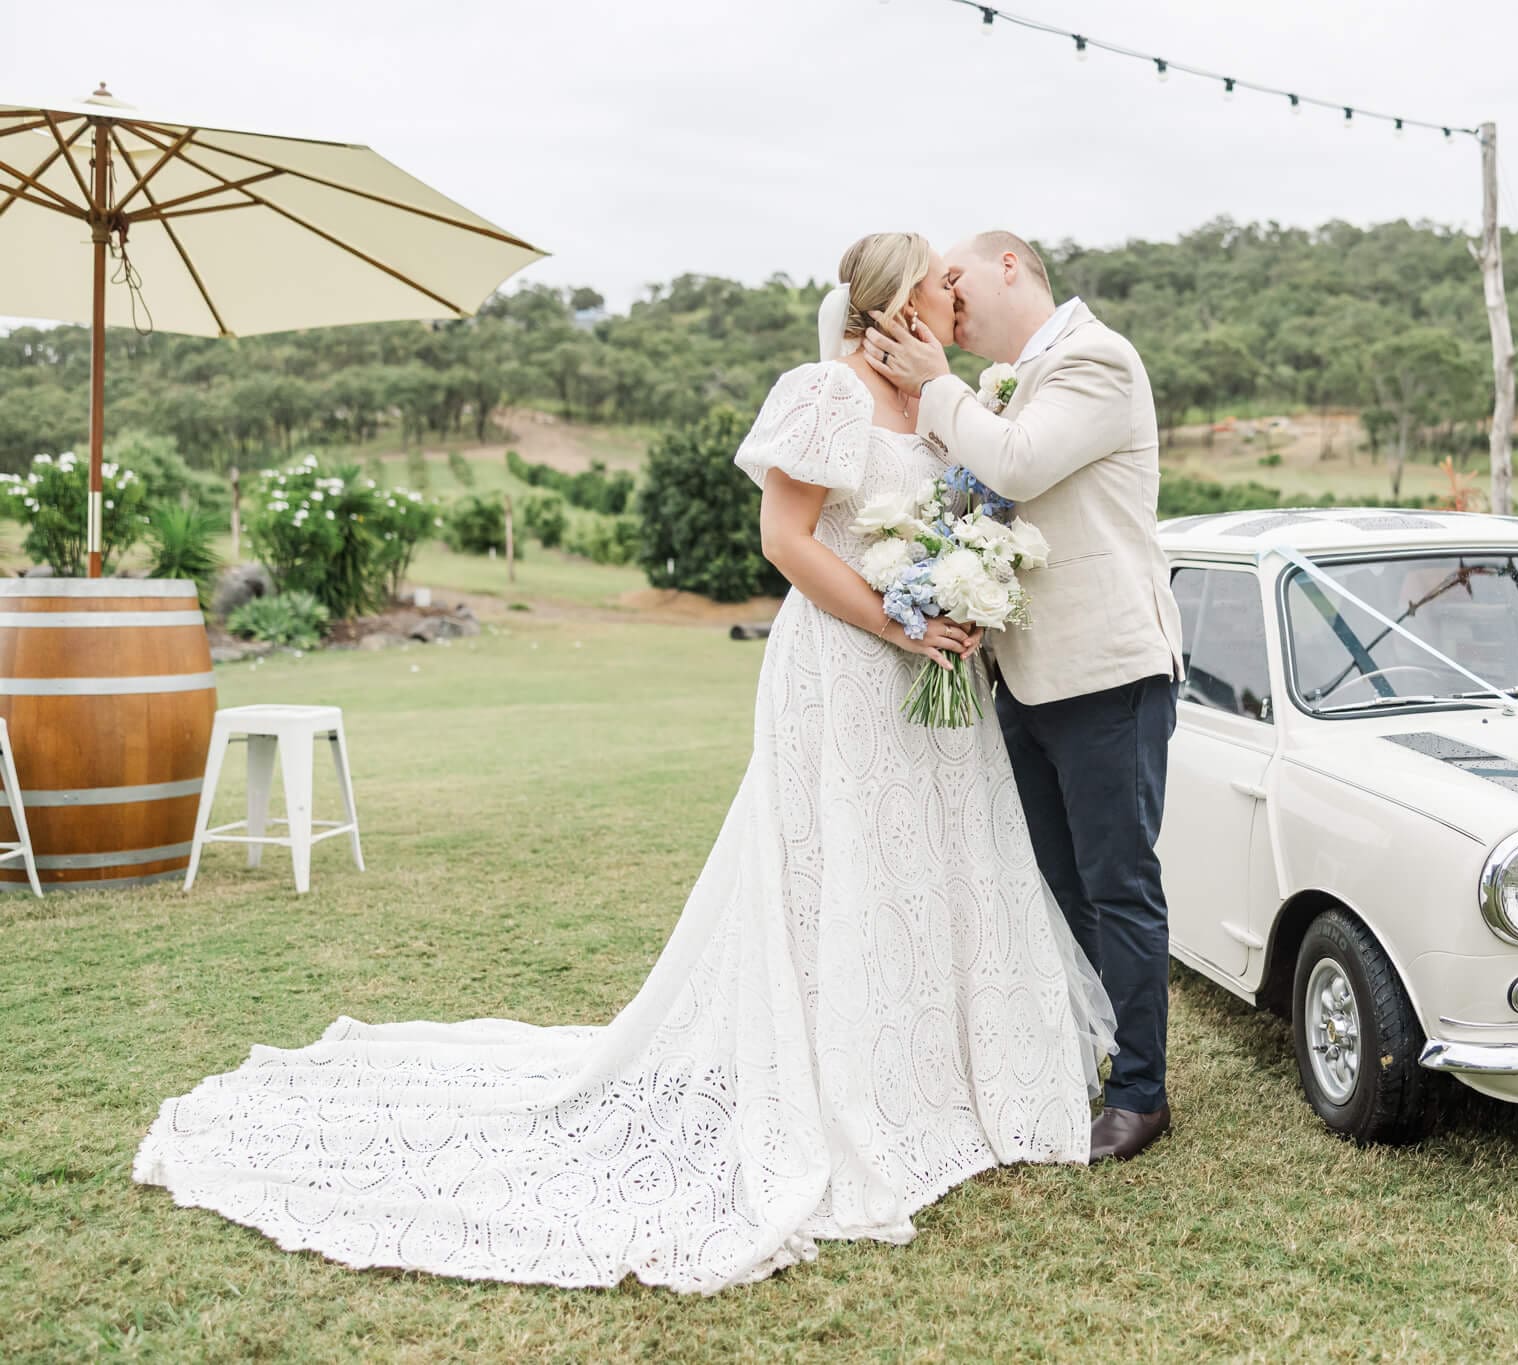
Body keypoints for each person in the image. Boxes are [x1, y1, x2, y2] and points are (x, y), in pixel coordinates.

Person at [133, 232, 1114, 1295]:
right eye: (939, 285)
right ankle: (845, 1087)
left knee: (928, 865)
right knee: (843, 866)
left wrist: (956, 593)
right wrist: (898, 622)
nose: (955, 301)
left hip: (927, 675)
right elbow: (786, 541)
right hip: (842, 668)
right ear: (892, 300)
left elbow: (952, 514)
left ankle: (935, 1076)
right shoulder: (821, 392)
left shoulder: (937, 399)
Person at [862, 230, 1184, 1163]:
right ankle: (1085, 1049)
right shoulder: (1003, 384)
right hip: (1024, 675)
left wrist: (934, 385)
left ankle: (1141, 1091)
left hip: (1106, 671)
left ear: (1013, 266)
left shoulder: (1098, 360)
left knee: (1119, 882)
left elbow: (1019, 464)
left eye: (955, 276)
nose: (947, 298)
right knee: (1054, 881)